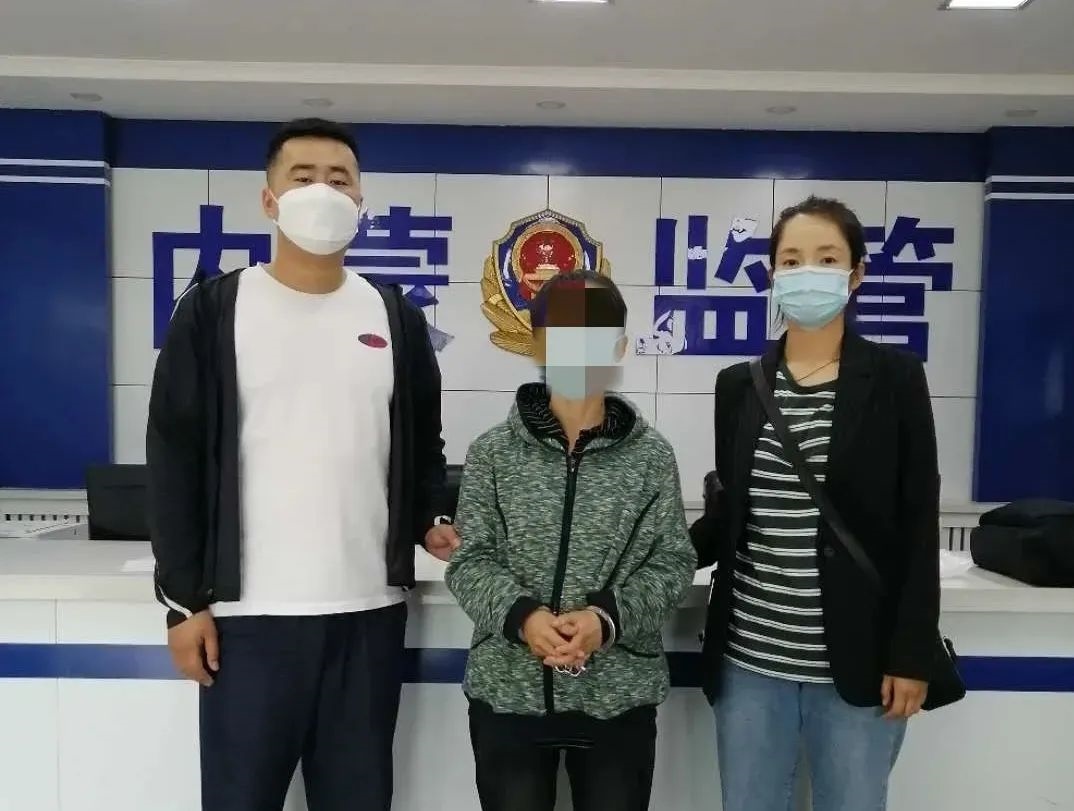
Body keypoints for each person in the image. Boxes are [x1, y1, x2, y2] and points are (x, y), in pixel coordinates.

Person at [146, 117, 458, 811]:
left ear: (361, 202)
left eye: (340, 179)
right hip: (246, 621)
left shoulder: (394, 316)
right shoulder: (213, 312)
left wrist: (428, 515)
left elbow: (422, 442)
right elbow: (173, 458)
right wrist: (182, 604)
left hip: (368, 616)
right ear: (269, 200)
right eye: (304, 177)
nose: (323, 191)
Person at [691, 196, 941, 811]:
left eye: (827, 259)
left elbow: (917, 522)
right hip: (750, 657)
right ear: (773, 275)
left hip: (860, 660)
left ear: (856, 275)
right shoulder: (738, 386)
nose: (809, 272)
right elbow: (731, 514)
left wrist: (911, 653)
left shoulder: (896, 378)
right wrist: (640, 555)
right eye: (792, 259)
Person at [445, 270, 697, 811]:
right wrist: (524, 618)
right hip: (509, 693)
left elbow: (672, 562)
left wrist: (605, 619)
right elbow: (470, 561)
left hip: (618, 696)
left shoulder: (652, 457)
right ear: (536, 343)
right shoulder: (492, 453)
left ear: (619, 347)